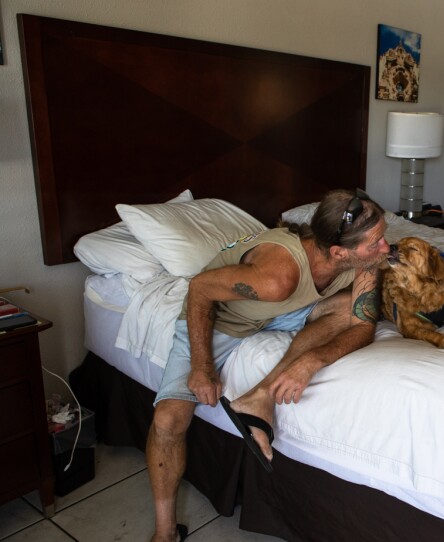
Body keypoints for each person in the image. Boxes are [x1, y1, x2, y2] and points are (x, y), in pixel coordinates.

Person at [146, 189, 390, 542]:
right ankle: (164, 532)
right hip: (223, 320)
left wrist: (309, 361)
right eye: (376, 242)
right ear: (338, 252)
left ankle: (259, 396)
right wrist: (201, 366)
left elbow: (363, 326)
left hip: (285, 312)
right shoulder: (278, 276)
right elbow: (199, 288)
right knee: (168, 420)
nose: (386, 248)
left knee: (344, 309)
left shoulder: (363, 261)